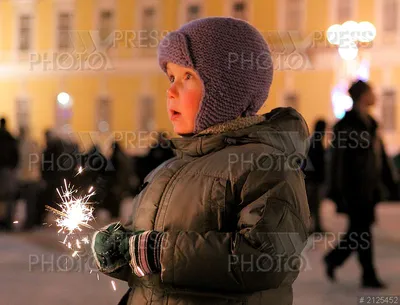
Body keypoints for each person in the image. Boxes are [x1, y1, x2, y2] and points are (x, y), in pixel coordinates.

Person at [91, 17, 311, 305]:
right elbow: (150, 271)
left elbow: (267, 259)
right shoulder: (167, 170)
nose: (171, 91)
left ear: (226, 89)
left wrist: (158, 253)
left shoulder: (266, 166)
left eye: (187, 78)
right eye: (171, 77)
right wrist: (121, 252)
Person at [324, 80, 399, 289]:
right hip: (353, 189)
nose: (375, 95)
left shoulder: (371, 123)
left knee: (358, 232)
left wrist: (388, 183)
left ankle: (334, 259)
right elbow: (338, 162)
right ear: (363, 96)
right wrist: (338, 191)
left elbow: (380, 158)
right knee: (362, 231)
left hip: (369, 188)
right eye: (371, 92)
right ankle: (368, 274)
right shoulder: (347, 125)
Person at [304, 119, 327, 233]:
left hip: (312, 179)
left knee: (314, 205)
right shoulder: (316, 142)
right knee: (313, 204)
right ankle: (311, 228)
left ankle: (315, 227)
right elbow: (316, 162)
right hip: (313, 179)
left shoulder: (314, 140)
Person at [0, 118, 19, 231]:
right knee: (9, 196)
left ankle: (3, 220)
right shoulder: (10, 138)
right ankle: (8, 221)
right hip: (8, 169)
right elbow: (16, 155)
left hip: (3, 168)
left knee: (3, 197)